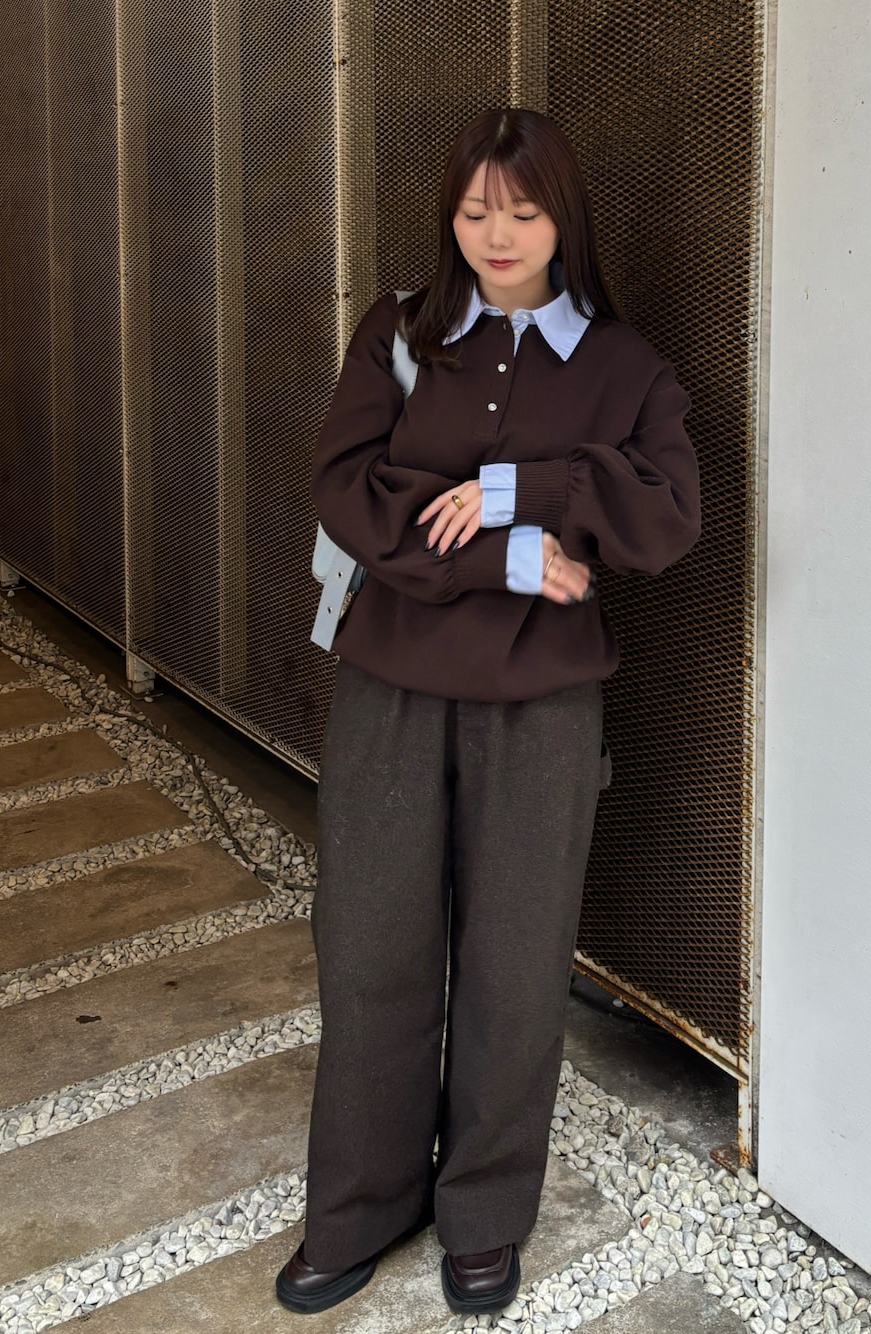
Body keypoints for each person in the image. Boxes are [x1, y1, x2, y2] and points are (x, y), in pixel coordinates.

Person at [275, 107, 700, 1317]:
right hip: (391, 692)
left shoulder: (622, 366)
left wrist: (524, 487)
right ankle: (359, 1204)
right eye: (473, 211)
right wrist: (508, 557)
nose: (495, 235)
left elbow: (666, 515)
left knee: (515, 965)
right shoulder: (400, 335)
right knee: (369, 951)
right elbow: (352, 492)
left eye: (521, 211)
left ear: (564, 218)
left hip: (541, 710)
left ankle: (482, 1213)